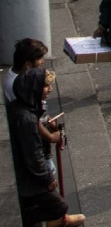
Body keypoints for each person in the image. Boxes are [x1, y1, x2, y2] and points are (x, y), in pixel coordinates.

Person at [8, 68, 85, 227]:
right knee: (59, 206)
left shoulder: (21, 108)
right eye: (45, 86)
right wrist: (47, 177)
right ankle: (26, 217)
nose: (50, 90)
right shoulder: (27, 118)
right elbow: (33, 154)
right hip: (29, 177)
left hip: (26, 174)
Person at [3, 38, 48, 103]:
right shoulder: (17, 86)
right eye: (39, 58)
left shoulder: (20, 76)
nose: (42, 62)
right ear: (28, 65)